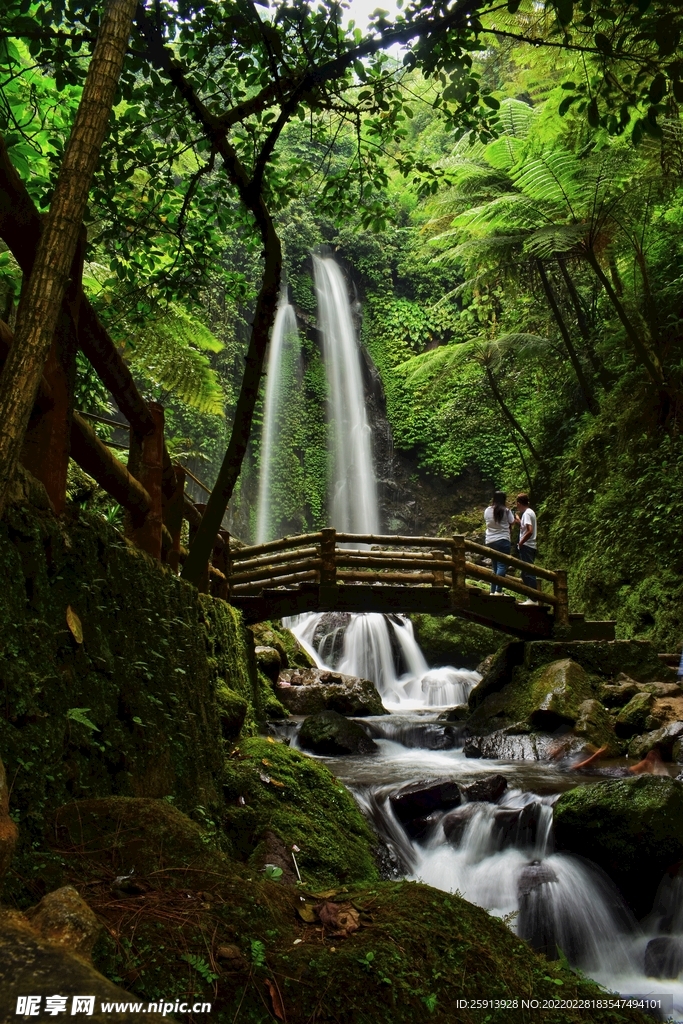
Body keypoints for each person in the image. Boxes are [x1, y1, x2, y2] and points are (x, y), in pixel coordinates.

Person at [484, 491, 515, 594]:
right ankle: (498, 591)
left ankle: (492, 591)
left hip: (490, 541)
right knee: (502, 566)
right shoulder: (506, 511)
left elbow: (487, 522)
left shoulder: (487, 510)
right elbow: (512, 522)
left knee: (495, 567)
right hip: (503, 540)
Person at [515, 493, 538, 604]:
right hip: (529, 545)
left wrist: (521, 543)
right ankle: (531, 597)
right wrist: (519, 521)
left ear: (519, 503)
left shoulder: (527, 514)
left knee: (528, 572)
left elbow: (530, 531)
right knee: (524, 573)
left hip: (527, 546)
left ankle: (533, 599)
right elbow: (525, 528)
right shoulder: (529, 513)